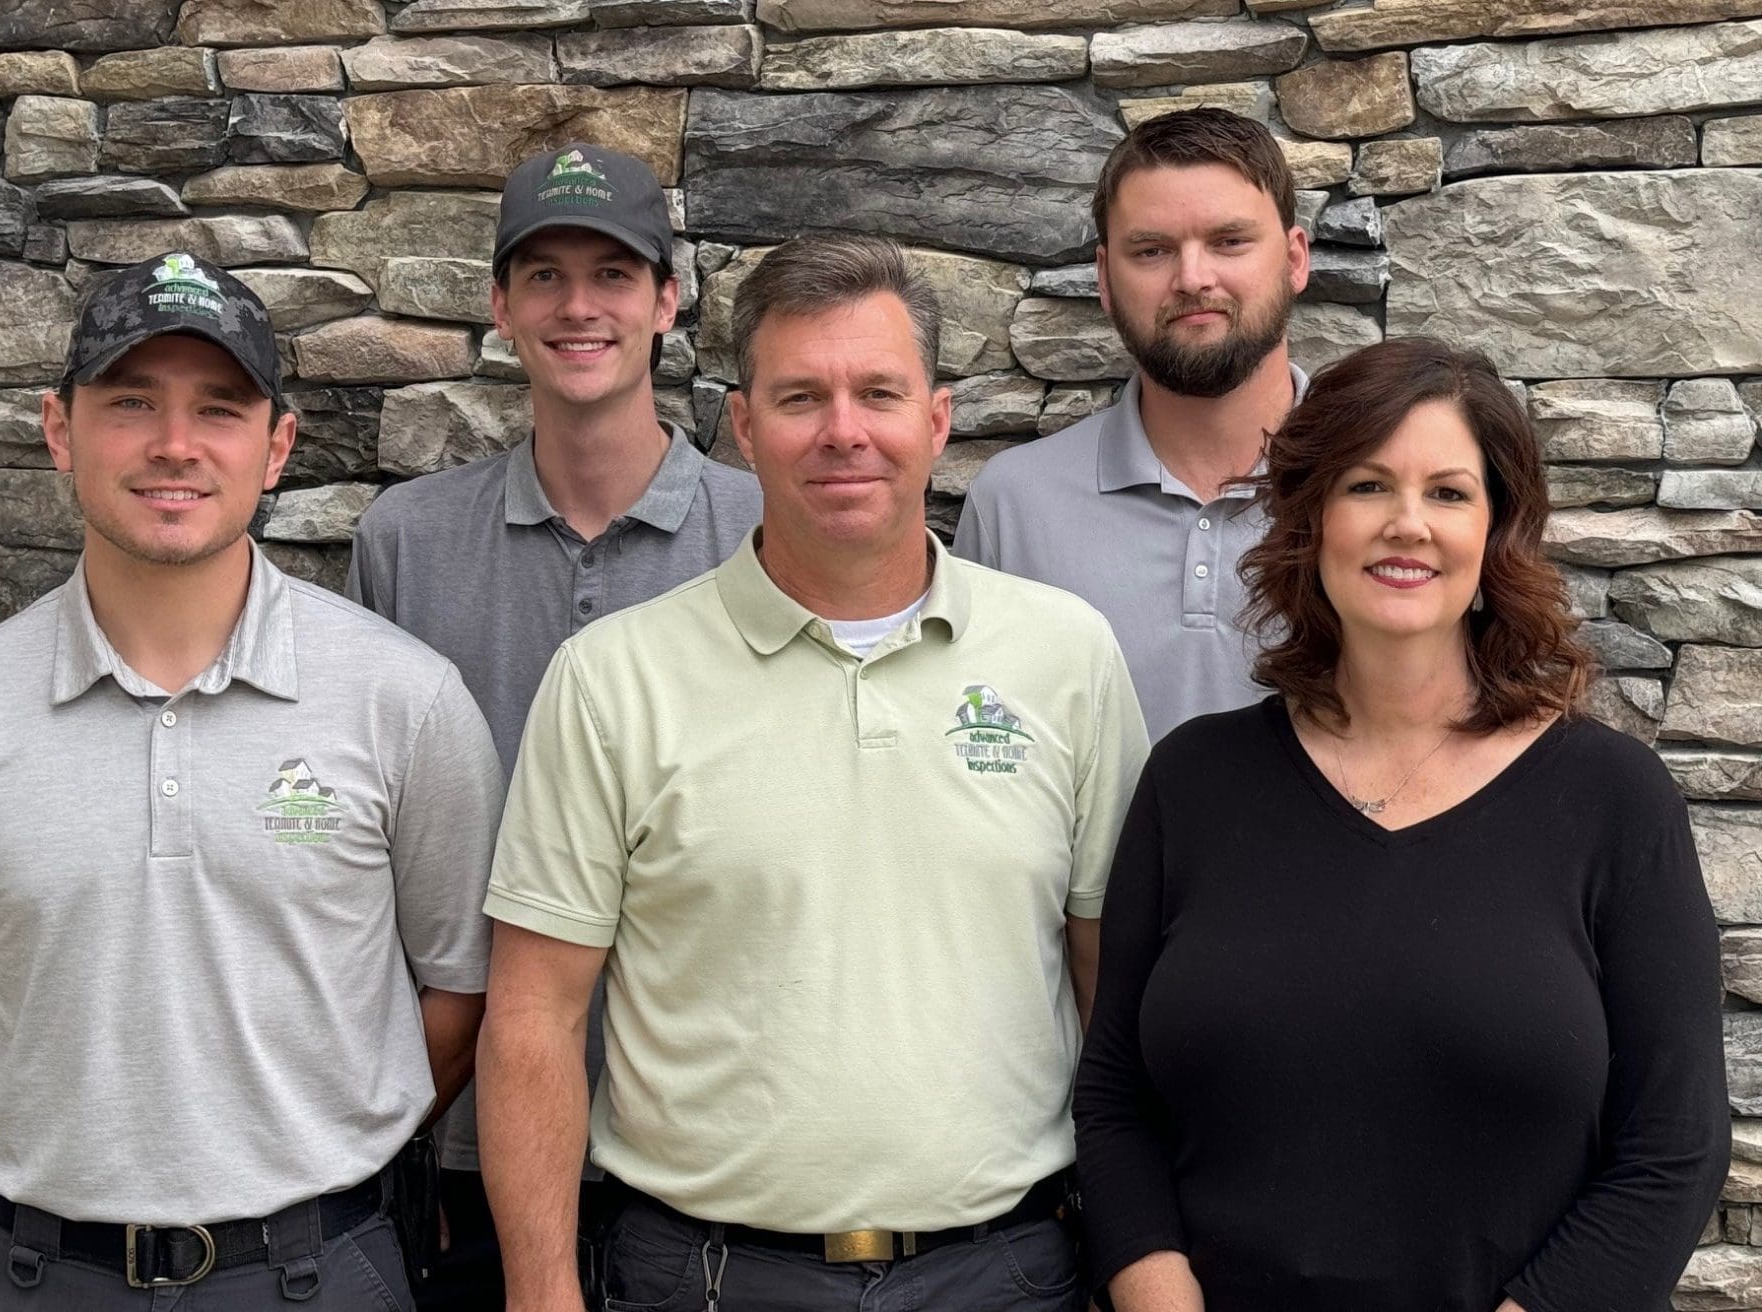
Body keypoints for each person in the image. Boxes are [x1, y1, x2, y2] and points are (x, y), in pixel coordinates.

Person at [476, 234, 1150, 1311]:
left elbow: (1111, 988)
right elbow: (532, 1018)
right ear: (744, 427)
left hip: (1005, 1272)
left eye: (878, 392)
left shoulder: (1066, 656)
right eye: (801, 398)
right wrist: (542, 1291)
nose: (845, 432)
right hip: (703, 1276)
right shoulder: (611, 681)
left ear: (937, 418)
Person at [0, 253, 502, 1309]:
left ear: (276, 447)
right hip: (38, 1276)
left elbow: (462, 991)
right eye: (132, 402)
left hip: (317, 1271)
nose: (175, 446)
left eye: (221, 409)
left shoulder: (403, 700)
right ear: (61, 429)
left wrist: (315, 1136)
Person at [1073, 337, 1728, 1312]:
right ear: (1311, 517)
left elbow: (1674, 1148)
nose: (1408, 525)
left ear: (1498, 527)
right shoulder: (1193, 782)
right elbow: (1115, 1097)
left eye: (1450, 492)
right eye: (1369, 486)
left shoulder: (1611, 799)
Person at [348, 141, 761, 1309]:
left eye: (614, 274)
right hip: (468, 1143)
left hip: (709, 1148)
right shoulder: (406, 540)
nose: (580, 306)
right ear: (500, 305)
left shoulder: (766, 533)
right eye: (544, 274)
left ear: (668, 301)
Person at [953, 108, 1312, 741]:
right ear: (1105, 280)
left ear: (1295, 260)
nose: (1193, 278)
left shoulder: (1378, 488)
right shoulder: (1014, 504)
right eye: (1152, 251)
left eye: (1229, 242)